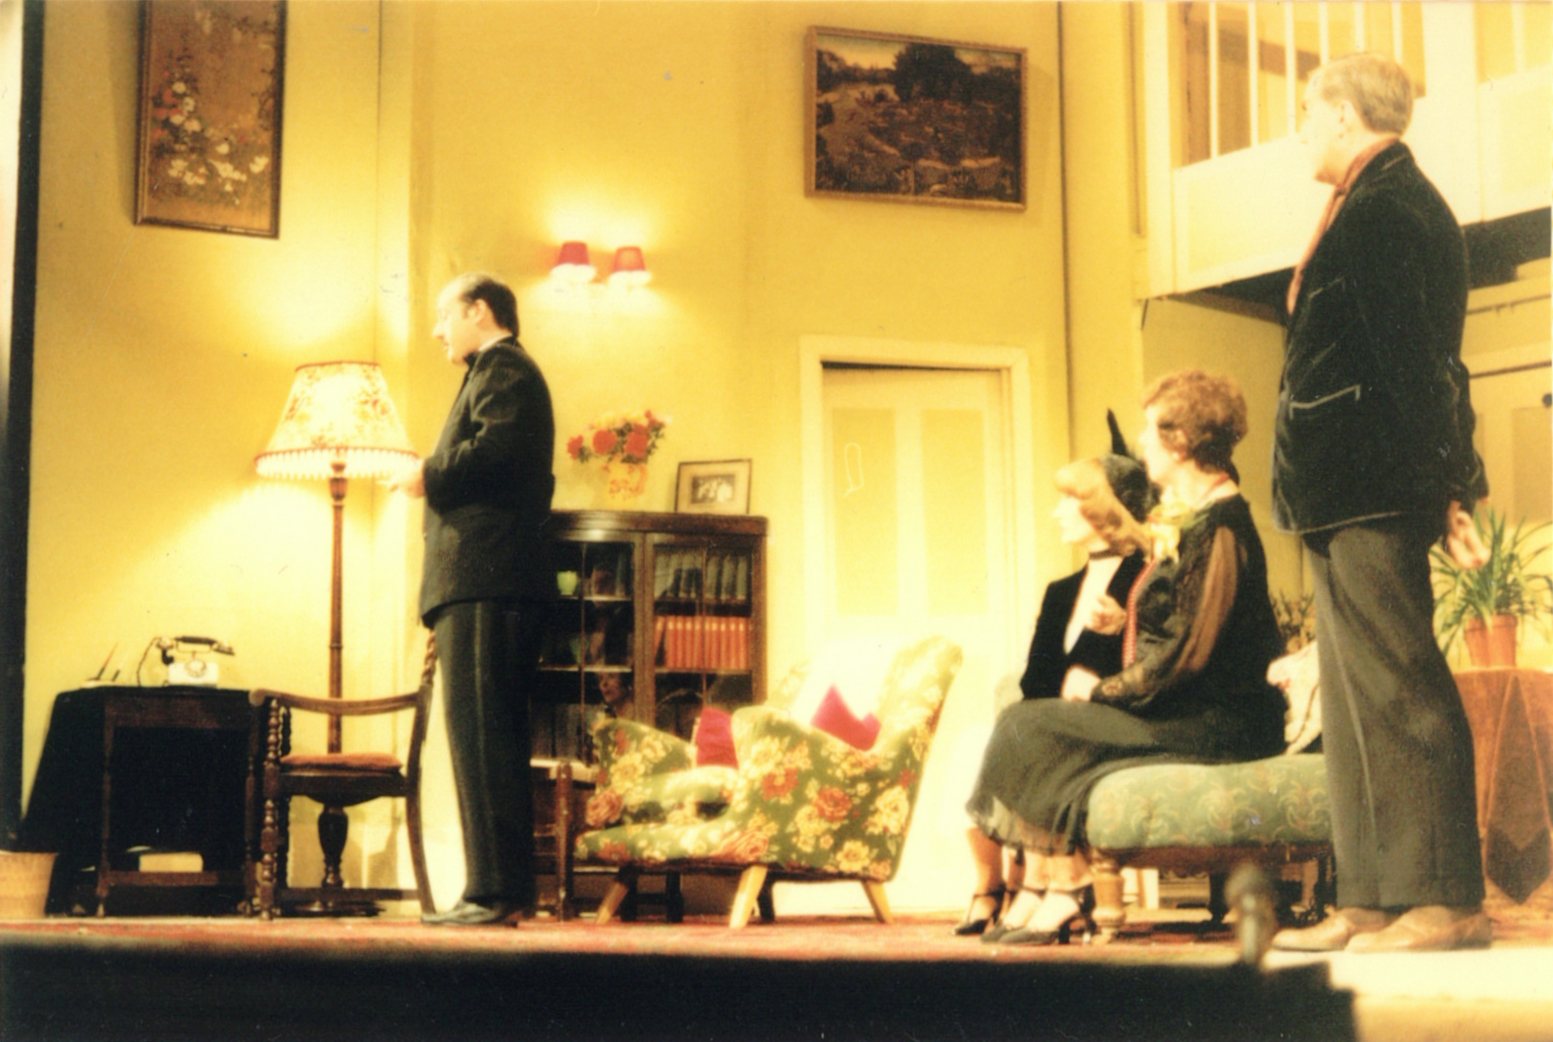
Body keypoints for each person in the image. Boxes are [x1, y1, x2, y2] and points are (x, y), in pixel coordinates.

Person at [1269, 54, 1492, 954]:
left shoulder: (1390, 209)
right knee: (1356, 702)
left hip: (1372, 487)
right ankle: (1370, 896)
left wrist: (1452, 486)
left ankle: (1443, 897)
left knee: (1401, 690)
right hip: (1336, 492)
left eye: (1306, 112)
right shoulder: (1365, 203)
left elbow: (1423, 367)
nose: (1299, 130)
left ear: (1342, 114)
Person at [965, 371, 1286, 946]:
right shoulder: (1192, 517)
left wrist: (1101, 691)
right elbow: (1181, 622)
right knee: (1026, 720)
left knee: (1031, 725)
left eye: (1150, 428)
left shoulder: (1222, 526)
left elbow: (1189, 654)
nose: (1140, 441)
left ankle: (1065, 889)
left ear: (1180, 443)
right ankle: (1053, 886)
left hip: (1222, 724)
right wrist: (1123, 623)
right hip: (1187, 711)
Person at [388, 272, 556, 927]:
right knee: (485, 737)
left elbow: (497, 452)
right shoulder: (496, 371)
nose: (437, 331)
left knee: (483, 737)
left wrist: (425, 474)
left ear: (478, 311)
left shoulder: (504, 368)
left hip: (488, 580)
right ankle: (494, 888)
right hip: (485, 583)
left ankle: (495, 892)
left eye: (444, 315)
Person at [954, 441, 1151, 936]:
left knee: (1034, 741)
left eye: (1069, 500)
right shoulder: (1060, 591)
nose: (1056, 511)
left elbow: (1146, 664)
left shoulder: (1145, 580)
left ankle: (1042, 886)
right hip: (1058, 719)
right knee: (977, 743)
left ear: (1104, 508)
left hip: (1111, 721)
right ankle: (1003, 884)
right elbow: (1034, 681)